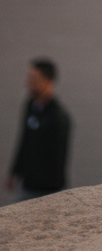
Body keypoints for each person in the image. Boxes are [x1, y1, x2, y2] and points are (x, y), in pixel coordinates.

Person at [6, 59, 71, 200]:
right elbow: (24, 140)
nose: (28, 84)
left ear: (48, 81)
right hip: (27, 186)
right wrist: (15, 172)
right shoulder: (30, 105)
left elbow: (57, 161)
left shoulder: (58, 118)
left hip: (46, 192)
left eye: (34, 79)